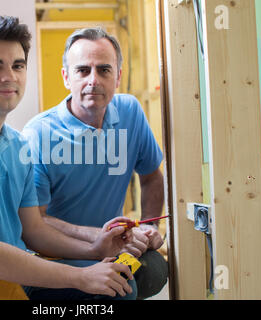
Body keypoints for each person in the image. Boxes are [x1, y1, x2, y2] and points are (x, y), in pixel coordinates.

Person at [0, 15, 136, 300]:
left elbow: (34, 231)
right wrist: (81, 277)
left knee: (117, 289)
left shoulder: (18, 145)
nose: (9, 77)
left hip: (15, 273)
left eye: (18, 65)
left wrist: (95, 249)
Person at [23, 27, 168, 300]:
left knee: (154, 269)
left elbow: (151, 177)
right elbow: (36, 221)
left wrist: (149, 227)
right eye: (82, 71)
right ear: (66, 77)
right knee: (120, 289)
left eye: (104, 70)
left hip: (114, 249)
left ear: (118, 76)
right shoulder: (38, 135)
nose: (94, 81)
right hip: (55, 257)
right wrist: (99, 238)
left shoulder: (130, 112)